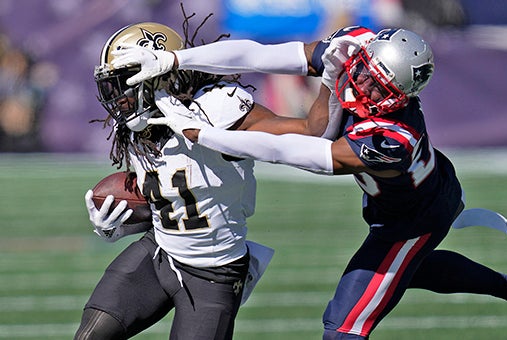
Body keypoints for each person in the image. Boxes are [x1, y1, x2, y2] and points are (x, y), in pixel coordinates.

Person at [114, 26, 507, 338]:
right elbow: (259, 54)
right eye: (363, 70)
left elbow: (302, 152)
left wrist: (204, 135)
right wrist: (176, 58)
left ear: (401, 97)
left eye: (376, 85)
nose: (362, 84)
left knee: (345, 322)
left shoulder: (392, 139)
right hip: (418, 189)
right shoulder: (357, 45)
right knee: (409, 272)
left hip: (414, 217)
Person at [73, 19, 330, 339]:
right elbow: (167, 201)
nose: (120, 97)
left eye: (126, 82)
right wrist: (117, 227)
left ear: (158, 75)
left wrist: (332, 78)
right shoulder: (136, 122)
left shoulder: (213, 108)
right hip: (159, 253)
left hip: (214, 273)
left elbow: (310, 135)